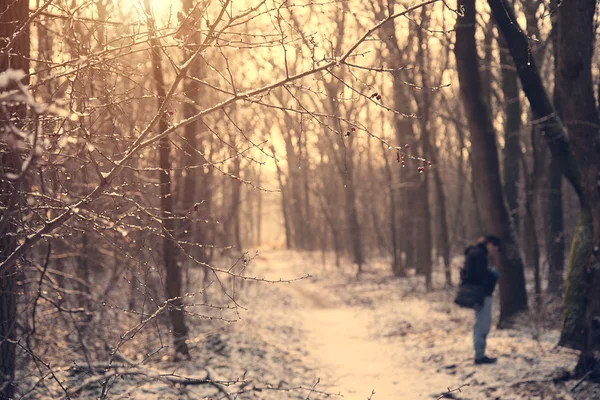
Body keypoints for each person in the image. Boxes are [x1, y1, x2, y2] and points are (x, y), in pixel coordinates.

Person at [462, 235, 501, 365]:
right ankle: (479, 355)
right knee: (482, 324)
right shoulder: (479, 255)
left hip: (479, 293)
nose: (494, 250)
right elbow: (479, 276)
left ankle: (480, 354)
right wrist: (492, 276)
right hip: (481, 293)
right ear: (489, 243)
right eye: (494, 247)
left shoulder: (474, 253)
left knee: (481, 323)